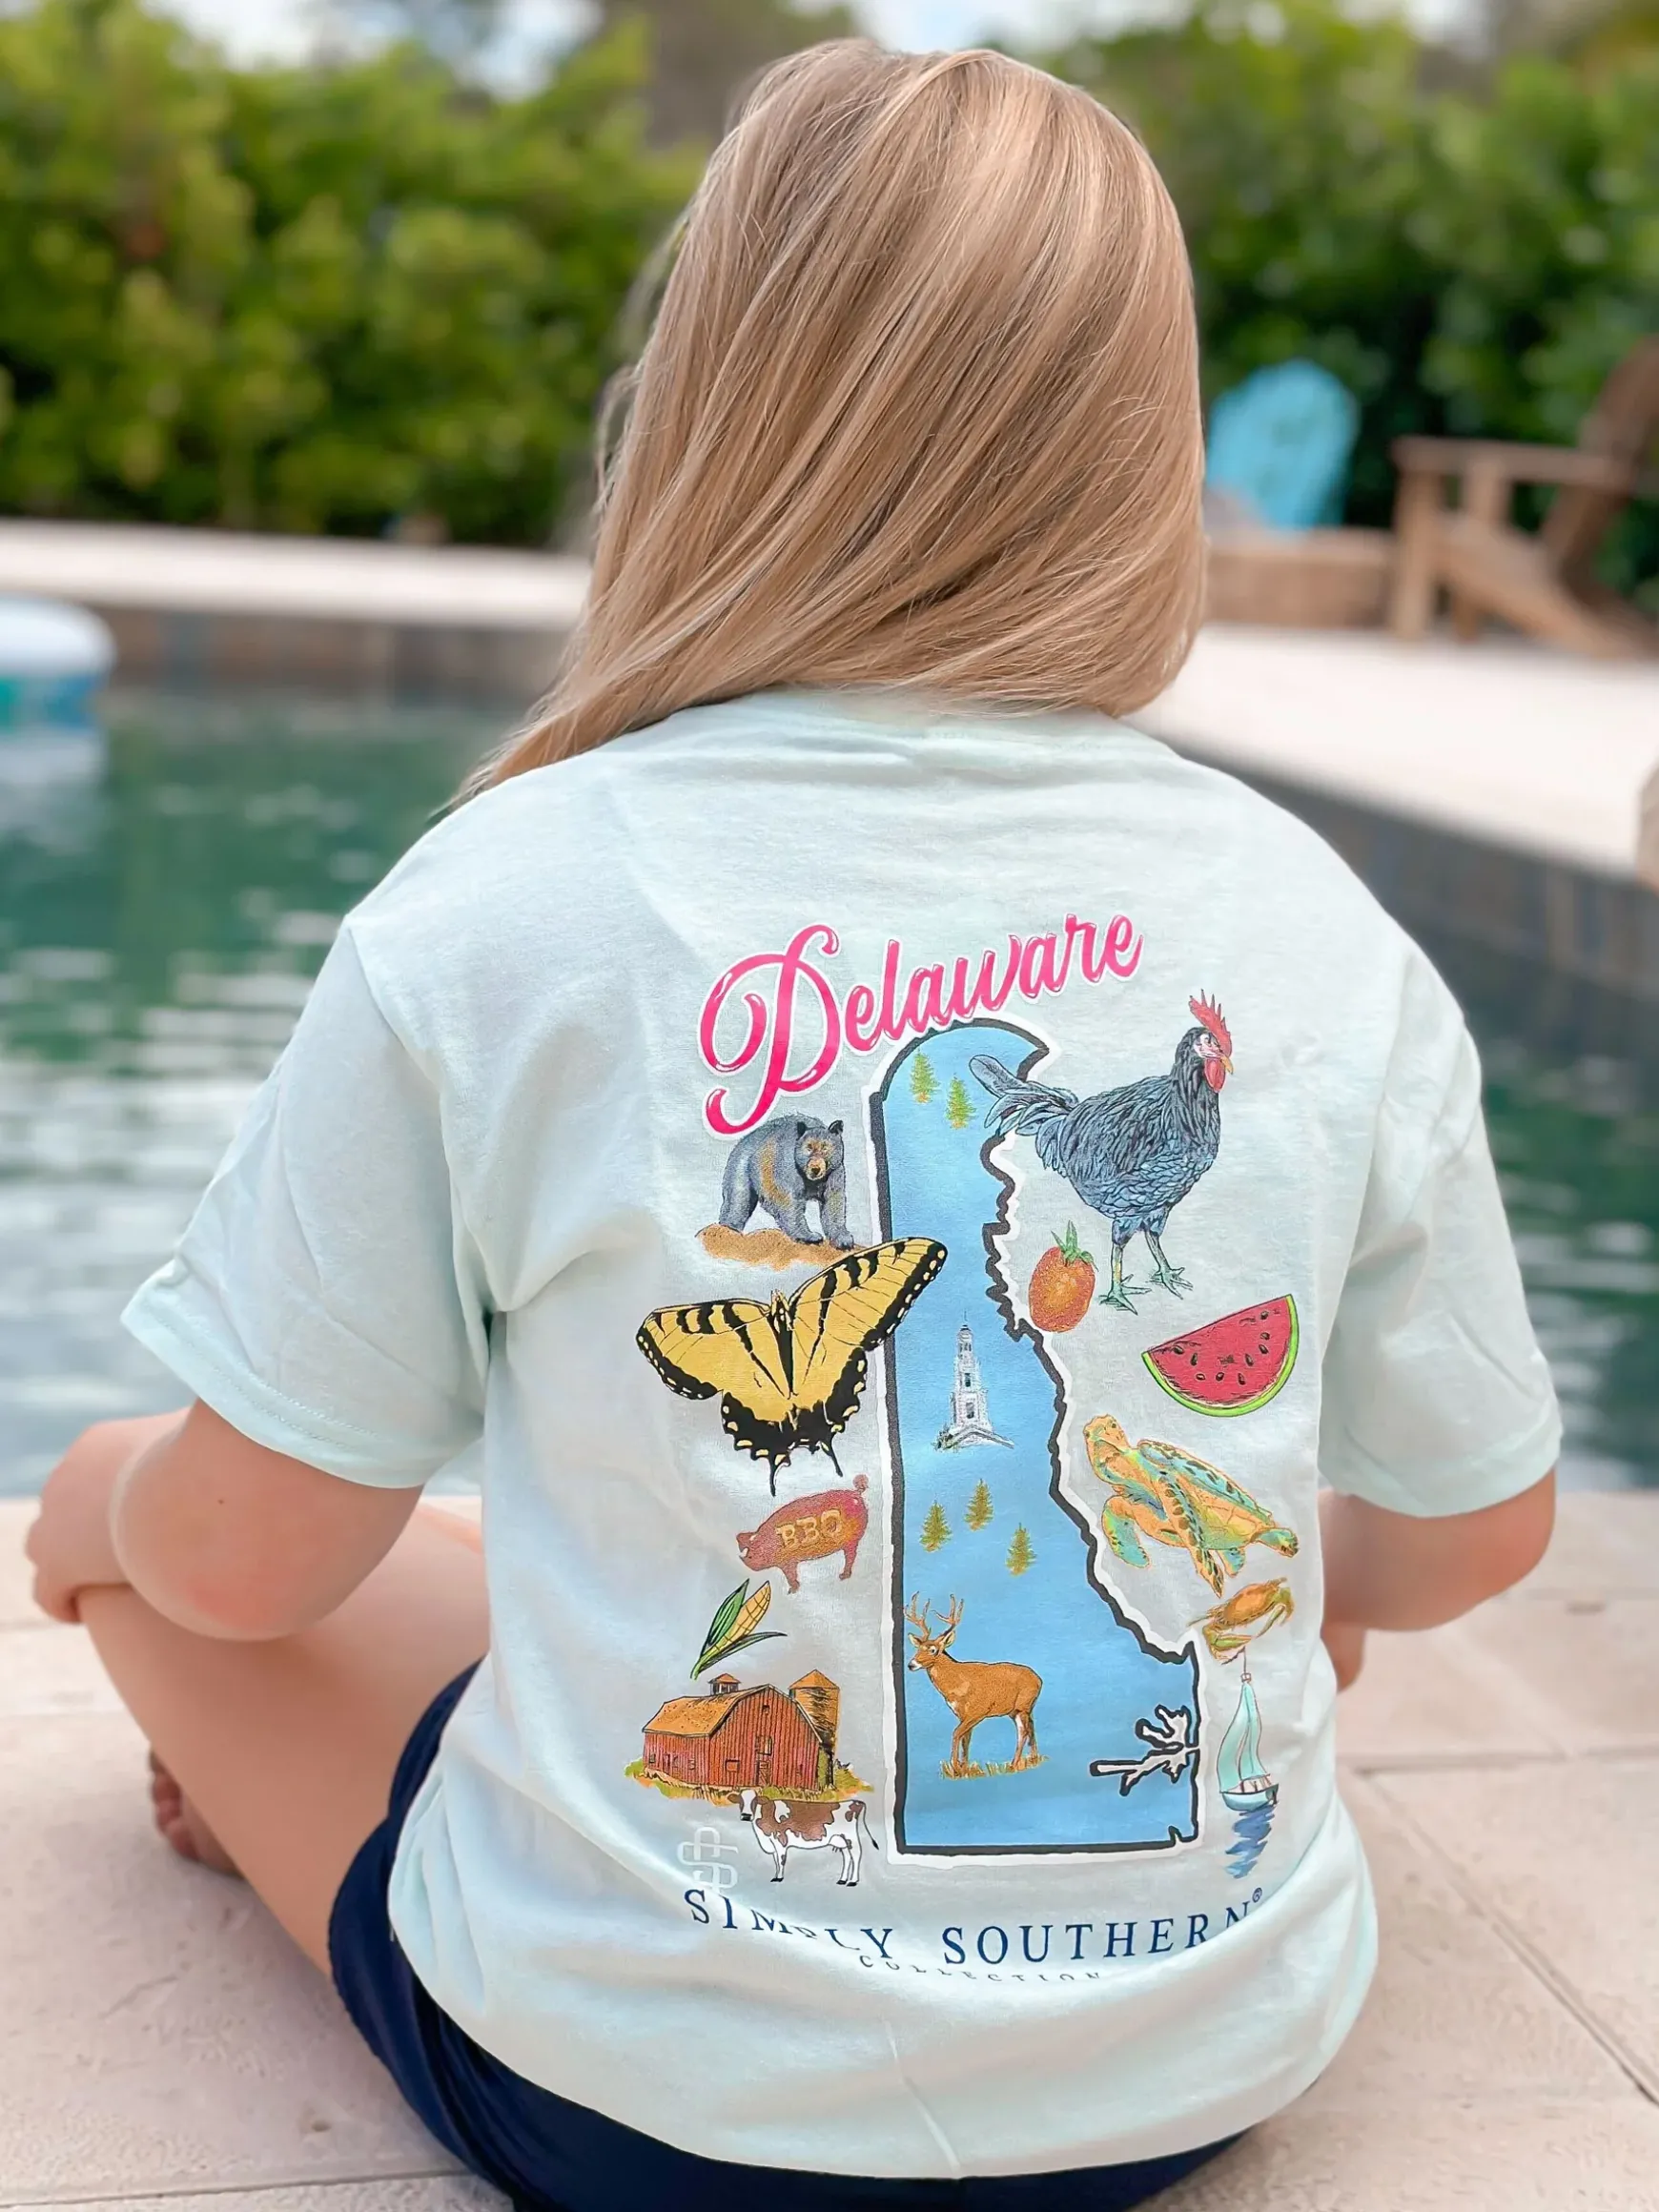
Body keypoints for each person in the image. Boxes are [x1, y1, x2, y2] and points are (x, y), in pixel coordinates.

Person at [26, 39, 1559, 2212]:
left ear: (705, 415)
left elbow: (250, 1559)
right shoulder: (1321, 921)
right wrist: (1308, 1575)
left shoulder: (501, 904)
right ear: (1144, 454)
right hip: (1198, 2073)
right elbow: (1477, 1529)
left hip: (637, 2121)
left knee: (144, 1531)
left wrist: (97, 1511)